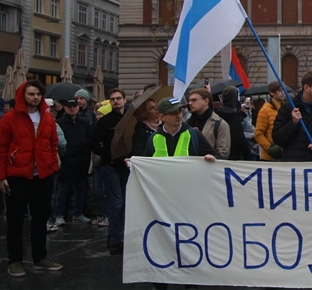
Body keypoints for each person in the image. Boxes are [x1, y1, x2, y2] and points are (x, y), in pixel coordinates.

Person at [135, 97, 216, 290]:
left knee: (189, 243)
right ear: (162, 116)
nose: (179, 115)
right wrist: (135, 165)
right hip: (161, 204)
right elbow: (146, 164)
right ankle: (161, 281)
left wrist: (209, 158)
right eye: (173, 112)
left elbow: (214, 157)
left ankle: (190, 282)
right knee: (162, 242)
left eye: (180, 111)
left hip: (188, 202)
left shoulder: (193, 135)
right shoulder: (153, 139)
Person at [0, 81, 63, 276]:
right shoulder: (9, 119)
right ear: (23, 96)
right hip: (17, 176)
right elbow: (0, 149)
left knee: (40, 218)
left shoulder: (47, 118)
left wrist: (53, 167)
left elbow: (53, 144)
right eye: (31, 94)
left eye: (38, 94)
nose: (35, 97)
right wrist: (0, 176)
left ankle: (40, 257)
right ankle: (15, 260)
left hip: (43, 175)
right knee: (15, 220)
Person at [91, 88, 131, 255]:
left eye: (118, 98)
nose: (116, 101)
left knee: (124, 203)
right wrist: (110, 155)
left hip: (127, 165)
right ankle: (115, 240)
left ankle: (117, 237)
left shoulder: (130, 119)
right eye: (113, 99)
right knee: (116, 203)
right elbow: (93, 144)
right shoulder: (105, 121)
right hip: (111, 165)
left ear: (124, 99)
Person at [53, 97, 93, 226]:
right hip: (67, 159)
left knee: (81, 188)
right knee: (63, 188)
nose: (72, 108)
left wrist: (86, 150)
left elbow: (90, 138)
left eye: (74, 106)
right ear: (65, 108)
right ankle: (59, 214)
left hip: (82, 159)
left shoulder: (85, 122)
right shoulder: (60, 122)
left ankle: (78, 213)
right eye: (69, 106)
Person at [187, 88, 231, 160]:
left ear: (206, 101)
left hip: (208, 167)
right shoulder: (187, 122)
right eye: (189, 100)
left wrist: (213, 158)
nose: (190, 103)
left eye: (194, 100)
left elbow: (223, 153)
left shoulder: (220, 124)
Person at [215, 86, 253, 161]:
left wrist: (241, 113)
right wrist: (247, 150)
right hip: (234, 153)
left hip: (221, 150)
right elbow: (238, 137)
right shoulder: (233, 116)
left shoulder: (218, 112)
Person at [255, 82, 285, 161]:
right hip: (269, 158)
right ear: (272, 93)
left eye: (283, 89)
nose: (283, 92)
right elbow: (258, 134)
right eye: (279, 90)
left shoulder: (286, 107)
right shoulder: (265, 110)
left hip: (284, 155)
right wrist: (270, 149)